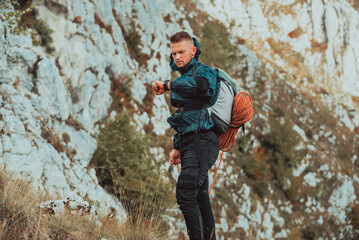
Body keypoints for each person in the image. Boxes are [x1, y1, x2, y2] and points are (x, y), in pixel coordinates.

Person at [152, 31, 220, 240]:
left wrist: (167, 85)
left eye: (181, 51)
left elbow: (200, 86)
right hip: (191, 142)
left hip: (203, 142)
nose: (177, 57)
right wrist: (177, 146)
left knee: (185, 192)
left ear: (193, 50)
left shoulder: (204, 72)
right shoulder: (184, 77)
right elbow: (187, 116)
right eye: (173, 53)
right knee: (199, 198)